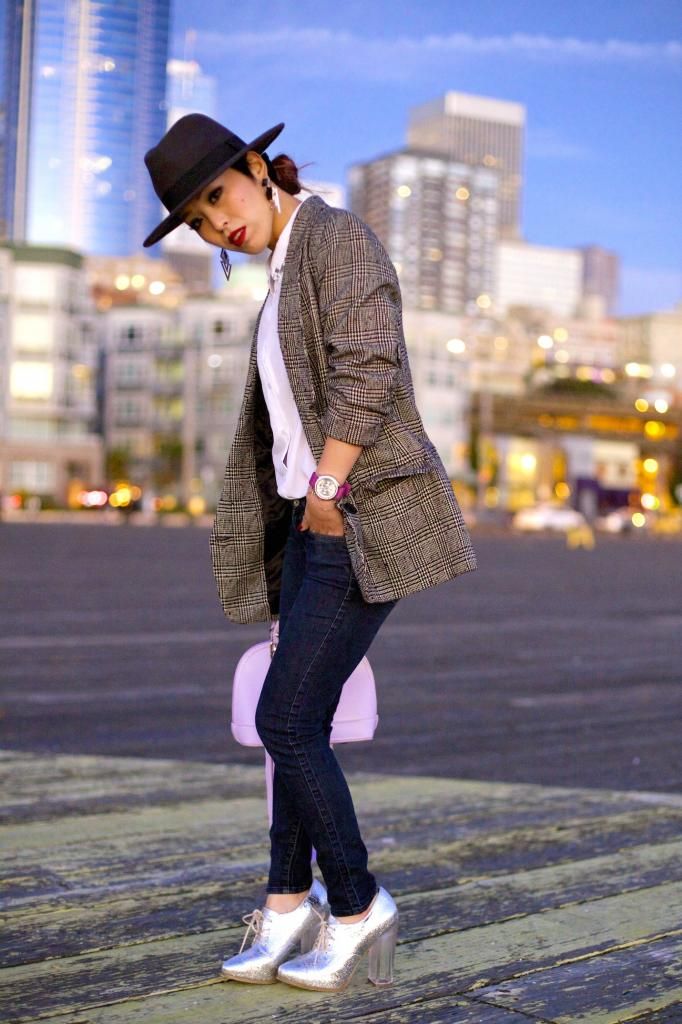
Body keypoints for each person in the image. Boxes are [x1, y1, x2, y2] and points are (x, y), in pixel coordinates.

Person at [142, 114, 477, 994]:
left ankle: (359, 907)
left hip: (357, 515)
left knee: (286, 722)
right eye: (199, 220)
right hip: (311, 519)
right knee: (295, 720)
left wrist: (327, 493)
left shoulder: (337, 239)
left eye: (219, 197)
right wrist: (304, 506)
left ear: (257, 167)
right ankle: (288, 902)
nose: (219, 224)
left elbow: (369, 372)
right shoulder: (284, 271)